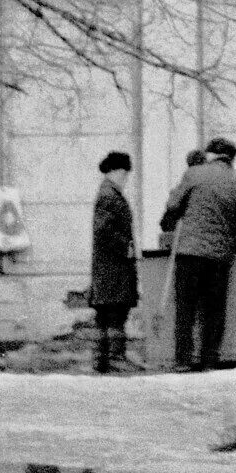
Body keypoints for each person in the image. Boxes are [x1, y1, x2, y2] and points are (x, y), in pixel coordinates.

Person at [159, 136, 236, 372]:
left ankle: (183, 359)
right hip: (220, 255)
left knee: (186, 307)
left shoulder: (195, 174)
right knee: (214, 309)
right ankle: (209, 359)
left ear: (211, 155)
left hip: (189, 251)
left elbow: (173, 206)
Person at [88, 150, 138, 375]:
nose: (126, 178)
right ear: (116, 171)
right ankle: (115, 358)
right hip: (113, 266)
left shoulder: (108, 193)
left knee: (106, 313)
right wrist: (125, 247)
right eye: (125, 173)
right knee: (115, 312)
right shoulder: (110, 195)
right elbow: (103, 230)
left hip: (107, 267)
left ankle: (102, 360)